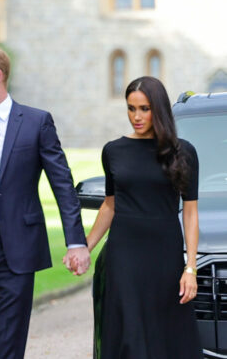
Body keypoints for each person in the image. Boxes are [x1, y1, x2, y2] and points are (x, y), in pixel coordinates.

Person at [0, 43, 90, 359]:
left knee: (8, 344)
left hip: (15, 245)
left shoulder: (36, 122)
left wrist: (75, 242)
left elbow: (62, 184)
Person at [86, 76, 202, 358]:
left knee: (163, 333)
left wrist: (190, 268)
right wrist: (83, 247)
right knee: (128, 331)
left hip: (165, 254)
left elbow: (190, 212)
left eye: (144, 109)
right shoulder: (113, 151)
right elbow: (109, 206)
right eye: (131, 108)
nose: (136, 117)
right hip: (123, 253)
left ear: (158, 109)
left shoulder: (183, 152)